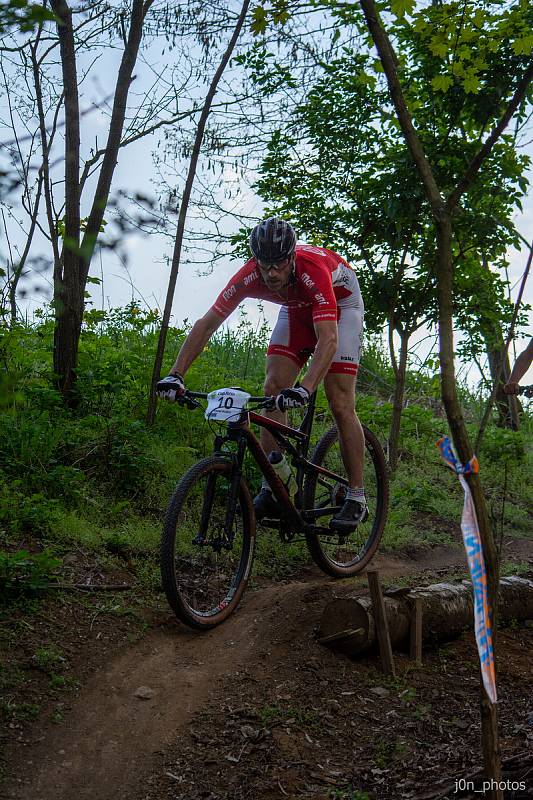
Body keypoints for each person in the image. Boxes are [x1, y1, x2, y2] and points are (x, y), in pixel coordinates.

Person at [156, 217, 366, 531]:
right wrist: (175, 374)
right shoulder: (250, 275)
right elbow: (207, 324)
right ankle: (276, 485)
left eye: (279, 265)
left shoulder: (313, 271)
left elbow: (329, 340)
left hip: (341, 307)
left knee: (339, 402)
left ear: (292, 257)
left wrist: (306, 388)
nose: (271, 273)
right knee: (273, 389)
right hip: (296, 308)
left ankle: (356, 496)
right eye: (265, 265)